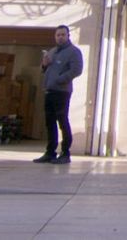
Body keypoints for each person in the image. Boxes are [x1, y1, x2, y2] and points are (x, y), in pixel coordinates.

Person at [35, 24, 83, 164]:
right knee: (49, 123)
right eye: (58, 35)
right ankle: (50, 152)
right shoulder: (52, 51)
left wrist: (60, 80)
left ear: (68, 36)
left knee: (62, 121)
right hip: (49, 90)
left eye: (63, 34)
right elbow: (44, 69)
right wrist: (44, 64)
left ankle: (65, 153)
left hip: (62, 91)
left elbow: (76, 70)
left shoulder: (74, 52)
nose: (60, 37)